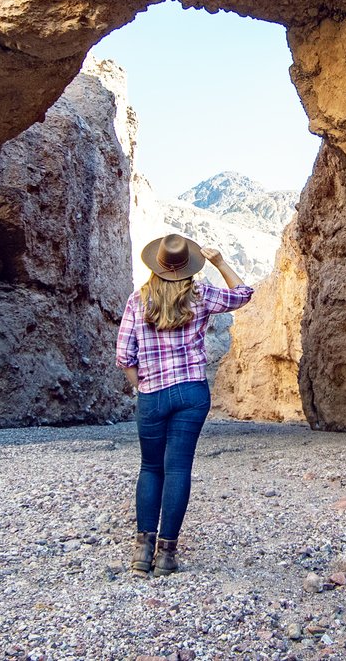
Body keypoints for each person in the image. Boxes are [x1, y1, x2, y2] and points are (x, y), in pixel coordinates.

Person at [116, 233, 252, 577]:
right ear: (187, 267)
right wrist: (220, 262)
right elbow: (243, 294)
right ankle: (166, 555)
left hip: (152, 394)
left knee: (150, 468)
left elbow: (124, 357)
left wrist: (144, 388)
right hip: (191, 393)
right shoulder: (201, 294)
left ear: (156, 264)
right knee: (177, 468)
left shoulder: (137, 300)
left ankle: (141, 552)